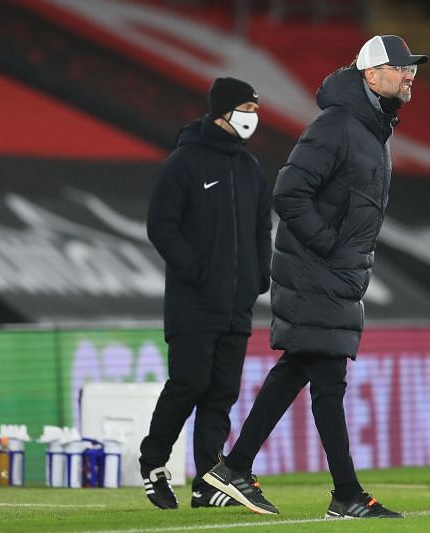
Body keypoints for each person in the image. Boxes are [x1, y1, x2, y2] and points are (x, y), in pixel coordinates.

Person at [203, 35, 427, 519]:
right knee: (328, 378)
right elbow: (288, 193)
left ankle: (235, 468)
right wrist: (329, 246)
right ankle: (345, 494)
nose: (411, 75)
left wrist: (343, 255)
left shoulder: (371, 130)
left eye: (414, 68)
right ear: (371, 74)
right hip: (316, 269)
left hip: (335, 272)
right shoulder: (338, 125)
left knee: (300, 369)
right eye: (401, 67)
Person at [139, 77, 272, 510]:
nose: (253, 118)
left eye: (255, 111)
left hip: (237, 305)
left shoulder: (251, 168)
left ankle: (209, 481)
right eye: (246, 110)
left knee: (220, 394)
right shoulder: (185, 162)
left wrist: (259, 277)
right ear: (222, 112)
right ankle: (154, 462)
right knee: (189, 383)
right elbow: (161, 224)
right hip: (193, 302)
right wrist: (198, 271)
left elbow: (260, 230)